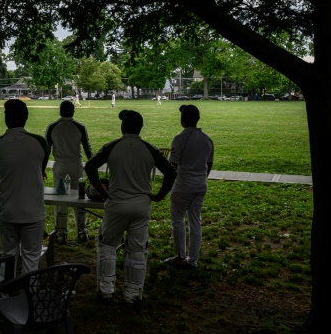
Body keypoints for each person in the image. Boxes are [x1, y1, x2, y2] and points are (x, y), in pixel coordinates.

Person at [85, 109, 176, 304]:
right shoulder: (150, 149)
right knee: (137, 250)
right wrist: (159, 195)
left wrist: (101, 190)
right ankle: (132, 294)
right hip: (141, 205)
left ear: (123, 126)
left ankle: (106, 289)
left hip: (117, 203)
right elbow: (170, 173)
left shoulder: (112, 146)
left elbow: (90, 166)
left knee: (108, 246)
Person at [0, 99, 49, 275]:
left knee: (7, 255)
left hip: (7, 210)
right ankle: (29, 296)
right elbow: (41, 166)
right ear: (26, 117)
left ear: (6, 118)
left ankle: (5, 294)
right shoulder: (39, 142)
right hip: (33, 211)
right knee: (32, 257)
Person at [165, 104, 214, 268]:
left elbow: (172, 166)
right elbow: (209, 164)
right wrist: (200, 178)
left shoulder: (179, 139)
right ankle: (193, 260)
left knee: (178, 220)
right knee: (195, 221)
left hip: (183, 184)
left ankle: (179, 256)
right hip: (201, 184)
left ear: (182, 119)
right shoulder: (207, 139)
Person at [46, 100, 94, 244]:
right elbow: (87, 148)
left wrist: (41, 169)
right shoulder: (79, 127)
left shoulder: (52, 127)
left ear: (60, 111)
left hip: (60, 166)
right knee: (79, 198)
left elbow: (46, 149)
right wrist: (92, 168)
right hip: (76, 165)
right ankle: (82, 230)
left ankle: (61, 233)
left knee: (61, 198)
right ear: (73, 111)